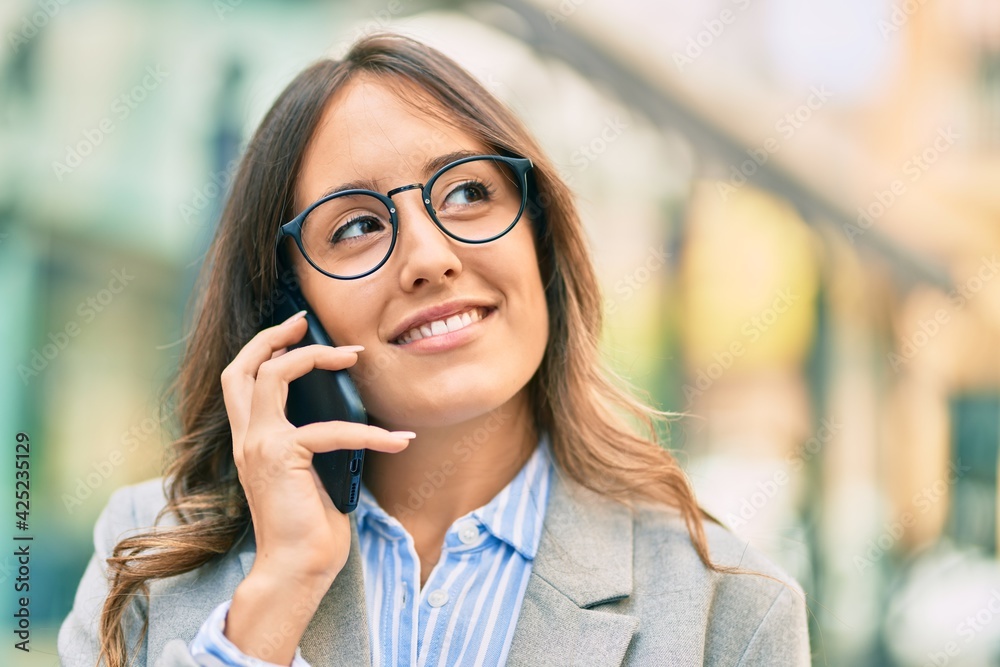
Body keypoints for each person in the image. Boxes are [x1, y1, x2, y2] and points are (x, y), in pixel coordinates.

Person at [58, 32, 811, 667]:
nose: (429, 256)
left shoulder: (730, 612)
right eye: (355, 227)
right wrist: (275, 595)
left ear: (538, 236)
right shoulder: (145, 558)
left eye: (468, 193)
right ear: (289, 308)